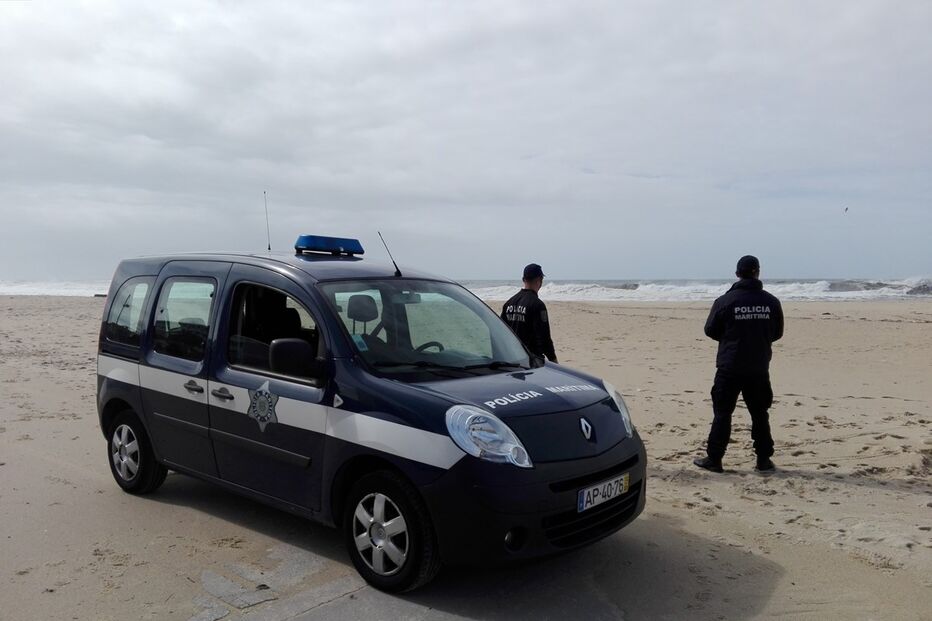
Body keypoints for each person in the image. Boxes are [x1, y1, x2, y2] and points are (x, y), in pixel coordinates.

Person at [694, 255, 784, 473]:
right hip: (758, 366)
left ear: (737, 274)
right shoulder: (771, 302)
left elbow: (710, 330)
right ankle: (763, 459)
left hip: (730, 366)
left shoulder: (725, 301)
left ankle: (715, 459)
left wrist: (732, 339)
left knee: (723, 413)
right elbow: (777, 333)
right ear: (758, 272)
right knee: (759, 413)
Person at [501, 263, 557, 363]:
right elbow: (544, 338)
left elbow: (502, 333)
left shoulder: (509, 303)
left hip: (512, 359)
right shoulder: (538, 305)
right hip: (532, 360)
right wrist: (553, 360)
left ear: (524, 280)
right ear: (539, 281)